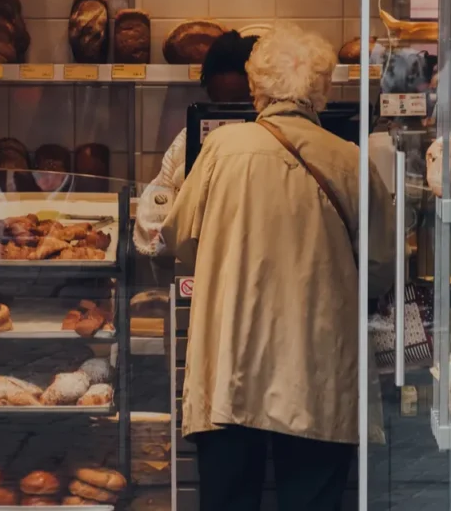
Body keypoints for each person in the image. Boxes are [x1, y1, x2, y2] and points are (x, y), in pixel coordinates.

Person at [160, 27, 395, 511]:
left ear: (256, 88)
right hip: (317, 373)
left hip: (231, 368)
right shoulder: (351, 161)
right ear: (323, 91)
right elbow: (380, 267)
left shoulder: (222, 150)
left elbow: (179, 238)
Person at [134, 30, 259, 256]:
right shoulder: (186, 142)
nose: (226, 116)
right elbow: (153, 225)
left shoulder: (273, 148)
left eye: (239, 104)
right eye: (218, 104)